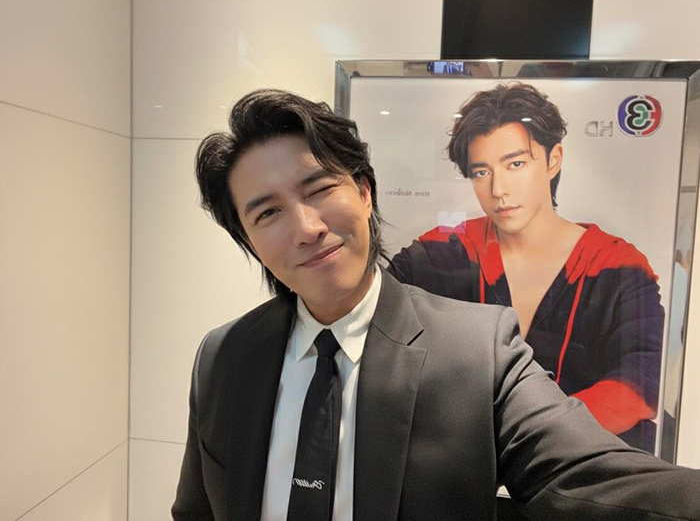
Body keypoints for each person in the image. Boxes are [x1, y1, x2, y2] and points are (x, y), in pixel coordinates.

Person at [172, 88, 699, 521]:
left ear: (364, 192)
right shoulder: (223, 356)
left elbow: (594, 476)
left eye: (319, 189)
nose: (307, 228)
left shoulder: (479, 354)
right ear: (247, 239)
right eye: (267, 213)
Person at [389, 82, 664, 453]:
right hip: (465, 468)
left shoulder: (616, 265)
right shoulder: (445, 250)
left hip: (577, 468)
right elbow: (374, 311)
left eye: (515, 164)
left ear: (553, 160)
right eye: (481, 172)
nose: (498, 189)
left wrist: (528, 436)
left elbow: (642, 380)